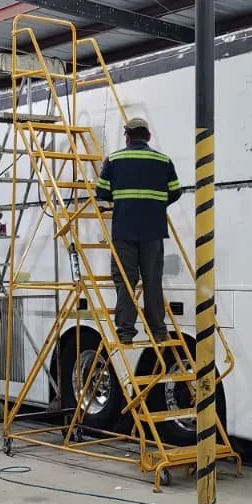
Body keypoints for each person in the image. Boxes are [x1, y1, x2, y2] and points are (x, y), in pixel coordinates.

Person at [94, 116, 182, 345]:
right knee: (153, 280)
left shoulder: (114, 159)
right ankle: (158, 331)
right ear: (148, 136)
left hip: (124, 230)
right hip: (153, 231)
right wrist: (154, 205)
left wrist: (122, 199)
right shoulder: (163, 161)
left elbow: (102, 192)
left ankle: (125, 332)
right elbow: (175, 192)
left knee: (126, 280)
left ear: (127, 137)